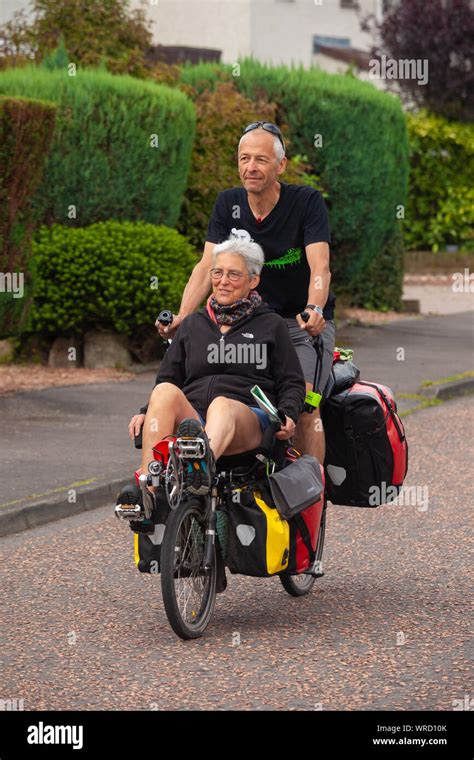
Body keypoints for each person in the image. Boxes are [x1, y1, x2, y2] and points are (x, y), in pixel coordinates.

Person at [156, 121, 336, 464]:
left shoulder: (306, 202)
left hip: (299, 326)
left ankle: (309, 499)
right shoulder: (229, 203)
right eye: (243, 159)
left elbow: (320, 267)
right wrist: (181, 315)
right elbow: (206, 265)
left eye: (260, 160)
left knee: (303, 406)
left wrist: (315, 308)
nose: (250, 168)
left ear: (280, 165)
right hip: (246, 323)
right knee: (224, 395)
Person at [128, 238, 305, 496]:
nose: (223, 281)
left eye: (233, 274)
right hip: (196, 418)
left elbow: (292, 381)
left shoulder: (271, 325)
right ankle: (148, 492)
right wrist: (148, 411)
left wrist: (289, 413)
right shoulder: (192, 324)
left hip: (247, 420)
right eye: (217, 272)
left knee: (221, 404)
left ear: (253, 280)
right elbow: (168, 377)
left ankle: (197, 470)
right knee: (165, 391)